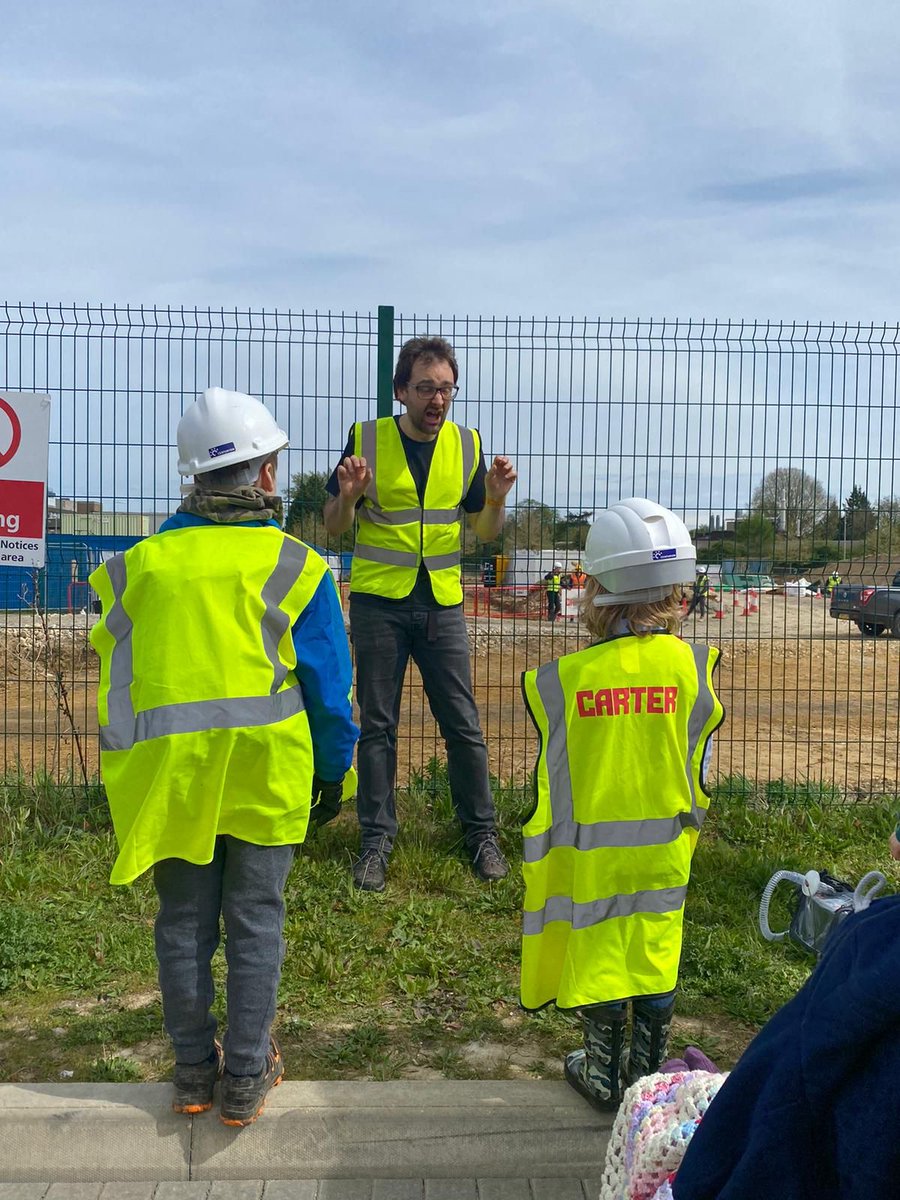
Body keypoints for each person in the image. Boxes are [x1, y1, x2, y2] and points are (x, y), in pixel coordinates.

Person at [89, 388, 358, 1127]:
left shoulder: (138, 567)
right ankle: (245, 1075)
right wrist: (333, 775)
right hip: (265, 776)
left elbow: (118, 688)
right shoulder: (295, 565)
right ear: (265, 476)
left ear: (193, 477)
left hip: (170, 780)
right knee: (255, 920)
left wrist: (127, 777)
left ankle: (189, 1075)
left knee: (182, 922)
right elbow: (331, 694)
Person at [519, 498, 724, 1111]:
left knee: (602, 951)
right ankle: (646, 1072)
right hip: (667, 854)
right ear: (676, 591)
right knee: (656, 951)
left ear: (596, 587)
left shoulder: (562, 680)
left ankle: (606, 1075)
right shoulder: (694, 668)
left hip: (591, 859)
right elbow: (699, 769)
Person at [323, 335, 517, 893]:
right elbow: (334, 525)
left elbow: (483, 531)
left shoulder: (467, 444)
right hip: (381, 604)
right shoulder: (367, 440)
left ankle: (481, 835)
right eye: (427, 388)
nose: (438, 400)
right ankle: (375, 841)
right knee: (378, 726)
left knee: (463, 724)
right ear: (401, 391)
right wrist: (351, 494)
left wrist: (498, 497)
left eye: (447, 389)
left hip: (443, 606)